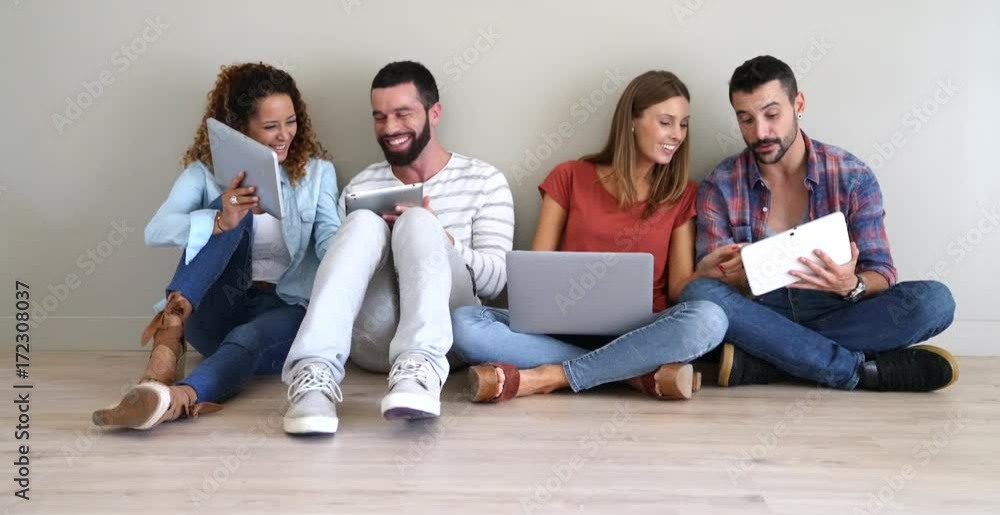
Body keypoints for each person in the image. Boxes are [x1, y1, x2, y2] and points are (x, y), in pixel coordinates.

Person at [680, 55, 957, 392]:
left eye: (772, 115)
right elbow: (715, 288)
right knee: (699, 292)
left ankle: (765, 363)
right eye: (746, 119)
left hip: (838, 309)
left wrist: (850, 285)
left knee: (934, 301)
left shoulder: (851, 175)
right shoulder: (719, 184)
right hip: (762, 312)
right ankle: (855, 370)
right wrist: (721, 273)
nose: (760, 132)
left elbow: (882, 274)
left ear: (798, 104)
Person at [451, 70, 729, 403]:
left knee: (711, 319)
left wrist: (707, 273)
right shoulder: (569, 176)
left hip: (642, 332)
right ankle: (631, 374)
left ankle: (552, 376)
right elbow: (536, 273)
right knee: (463, 323)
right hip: (560, 327)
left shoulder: (682, 194)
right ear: (631, 121)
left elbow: (677, 289)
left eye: (683, 124)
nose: (677, 135)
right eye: (666, 122)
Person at [92, 62, 341, 430]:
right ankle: (169, 338)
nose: (285, 135)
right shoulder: (203, 174)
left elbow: (331, 243)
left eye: (291, 121)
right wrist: (221, 220)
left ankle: (171, 399)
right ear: (240, 130)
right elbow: (156, 230)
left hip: (284, 312)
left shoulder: (318, 174)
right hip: (215, 312)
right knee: (227, 212)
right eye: (271, 126)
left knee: (247, 337)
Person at [281, 61, 514, 434]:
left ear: (434, 113)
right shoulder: (362, 184)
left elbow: (495, 282)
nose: (390, 128)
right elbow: (340, 278)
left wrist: (441, 236)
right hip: (372, 340)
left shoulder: (485, 181)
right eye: (380, 117)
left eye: (403, 114)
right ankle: (315, 377)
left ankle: (418, 370)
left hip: (445, 342)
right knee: (361, 222)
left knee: (420, 221)